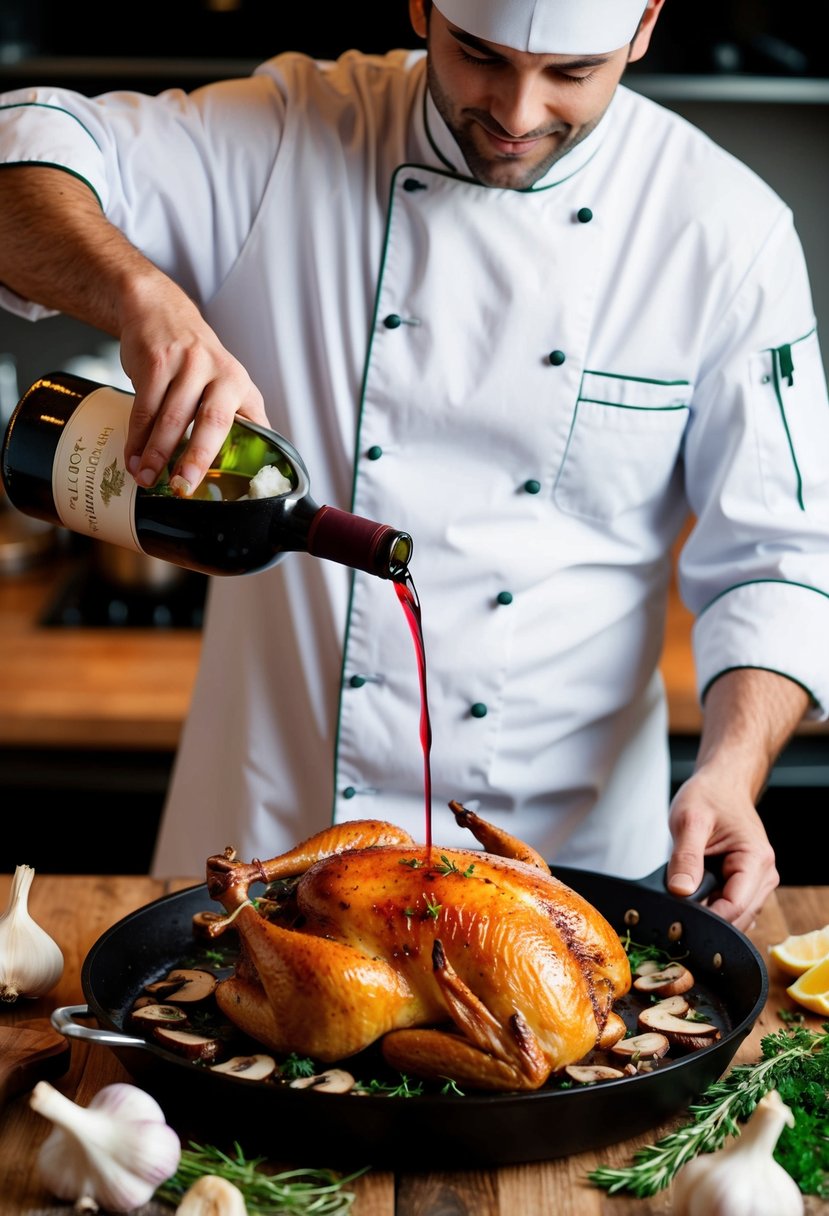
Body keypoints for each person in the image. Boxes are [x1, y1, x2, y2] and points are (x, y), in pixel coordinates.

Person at [0, 0, 827, 933]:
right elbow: (17, 158)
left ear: (643, 28)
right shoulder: (286, 138)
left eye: (572, 72)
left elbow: (778, 559)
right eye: (479, 55)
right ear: (421, 8)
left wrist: (730, 767)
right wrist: (140, 293)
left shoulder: (724, 232)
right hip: (267, 863)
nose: (516, 112)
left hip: (580, 878)